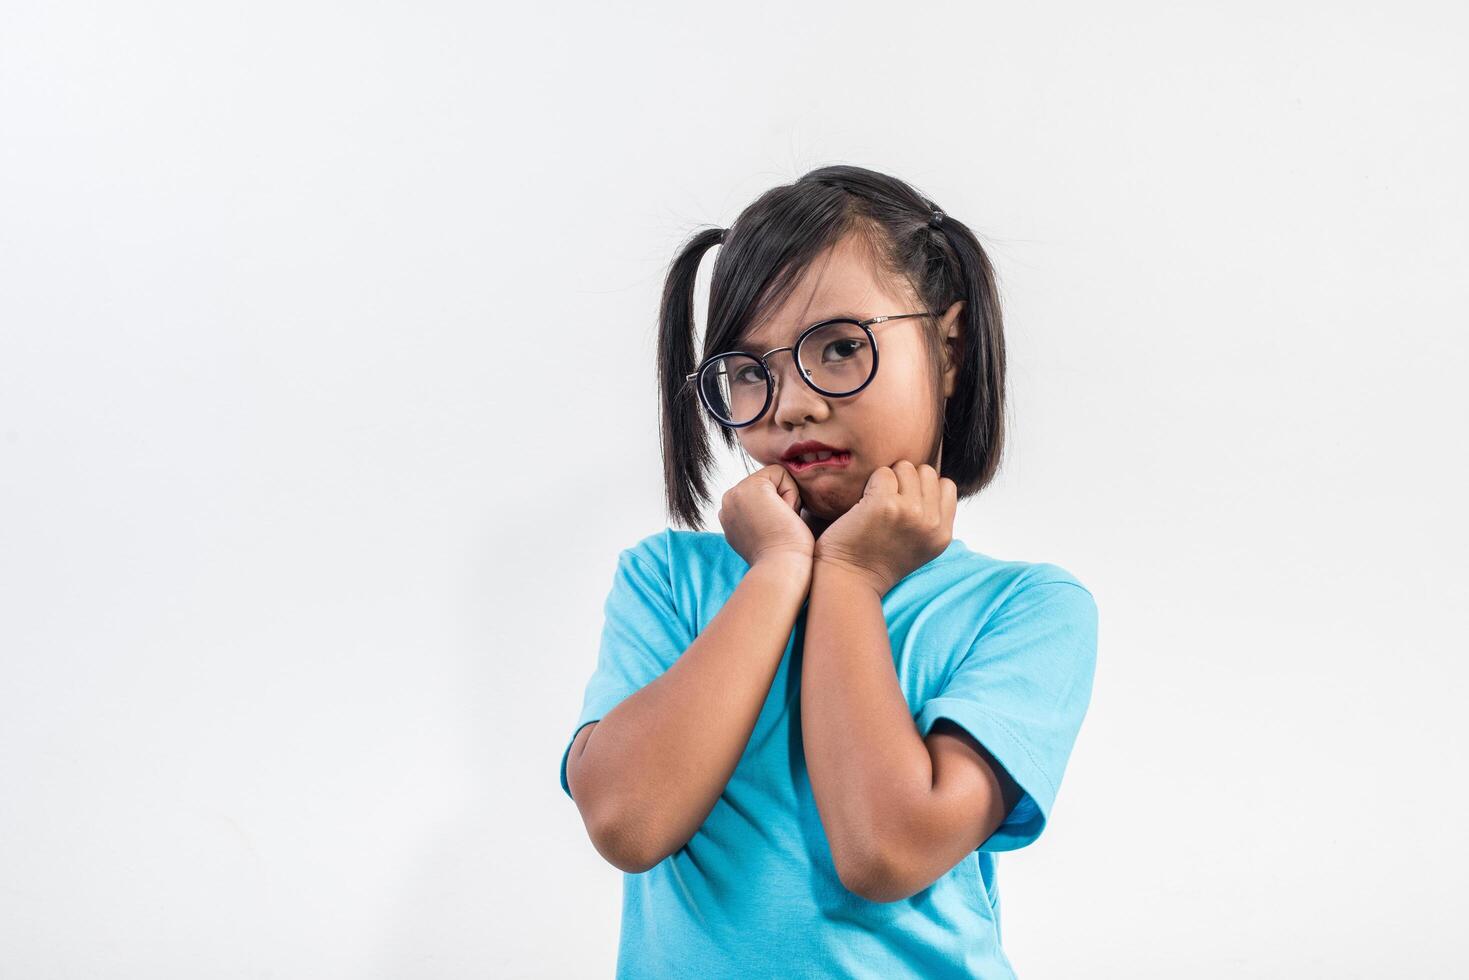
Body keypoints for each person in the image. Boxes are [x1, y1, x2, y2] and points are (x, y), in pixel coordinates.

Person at [559, 164, 1099, 978]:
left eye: (841, 347)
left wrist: (848, 576)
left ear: (948, 349)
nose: (788, 406)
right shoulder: (667, 581)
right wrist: (778, 567)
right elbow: (629, 824)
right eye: (748, 370)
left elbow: (884, 850)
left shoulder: (1023, 609)